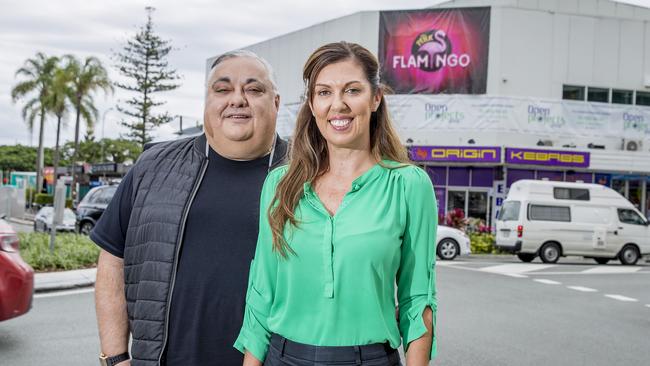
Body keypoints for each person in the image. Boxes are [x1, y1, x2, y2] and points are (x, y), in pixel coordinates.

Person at [235, 42, 437, 366]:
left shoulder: (409, 185)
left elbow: (418, 300)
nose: (338, 105)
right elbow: (261, 292)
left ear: (375, 98)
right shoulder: (279, 184)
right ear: (312, 105)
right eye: (324, 92)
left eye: (352, 90)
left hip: (370, 359)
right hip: (282, 357)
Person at [92, 50, 288, 366]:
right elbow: (113, 259)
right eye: (222, 89)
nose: (237, 99)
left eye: (253, 89)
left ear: (276, 102)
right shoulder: (153, 167)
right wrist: (115, 358)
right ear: (206, 102)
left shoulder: (307, 174)